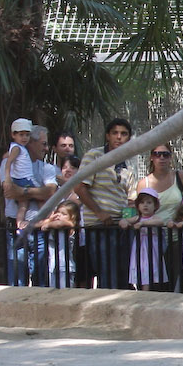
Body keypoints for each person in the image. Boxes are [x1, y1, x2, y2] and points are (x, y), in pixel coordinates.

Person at [77, 118, 136, 289]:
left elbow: (130, 200)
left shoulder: (128, 165)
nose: (119, 137)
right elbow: (79, 188)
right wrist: (99, 213)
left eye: (124, 134)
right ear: (107, 136)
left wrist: (128, 220)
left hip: (121, 228)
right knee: (107, 275)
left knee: (123, 276)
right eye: (115, 133)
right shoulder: (94, 155)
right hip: (99, 227)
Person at [0, 125, 58, 286]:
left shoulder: (47, 168)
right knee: (17, 280)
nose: (46, 148)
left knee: (41, 281)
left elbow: (50, 191)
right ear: (30, 143)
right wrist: (38, 192)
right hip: (16, 229)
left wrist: (23, 191)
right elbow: (9, 191)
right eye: (43, 144)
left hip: (40, 229)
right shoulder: (8, 164)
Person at [133, 142, 183, 225]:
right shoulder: (143, 184)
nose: (162, 157)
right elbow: (139, 213)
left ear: (170, 157)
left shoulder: (180, 176)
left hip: (179, 230)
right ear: (151, 157)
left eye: (165, 155)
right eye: (157, 154)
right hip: (153, 231)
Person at [121, 189, 172, 291]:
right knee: (141, 269)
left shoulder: (154, 218)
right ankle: (143, 290)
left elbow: (160, 222)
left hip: (152, 249)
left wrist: (143, 223)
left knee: (152, 269)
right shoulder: (137, 218)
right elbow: (123, 221)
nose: (145, 205)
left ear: (155, 205)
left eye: (149, 202)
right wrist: (124, 223)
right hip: (140, 249)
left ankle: (147, 290)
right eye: (142, 202)